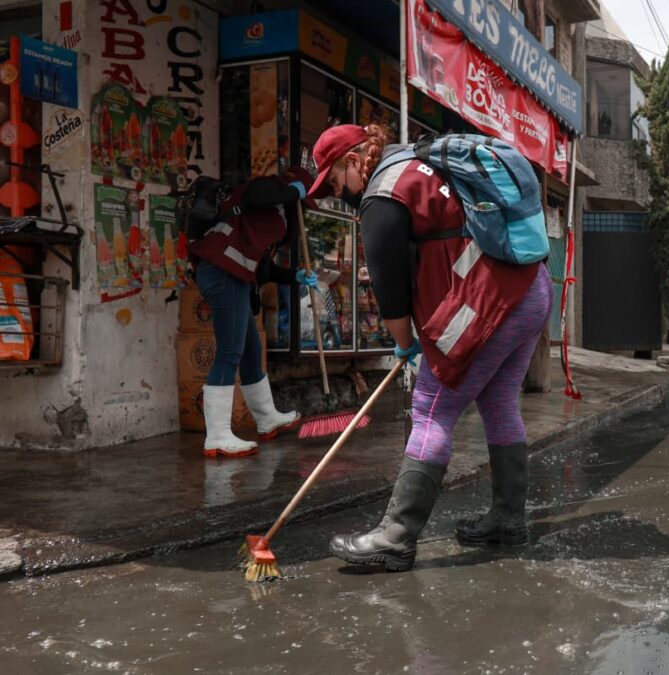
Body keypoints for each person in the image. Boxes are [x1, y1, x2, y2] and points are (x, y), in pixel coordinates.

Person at [306, 125, 552, 572]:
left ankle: (396, 537)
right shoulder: (417, 163)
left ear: (352, 160)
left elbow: (390, 289)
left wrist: (404, 346)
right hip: (531, 288)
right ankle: (508, 519)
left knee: (432, 408)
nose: (338, 195)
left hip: (490, 299)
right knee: (498, 401)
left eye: (336, 183)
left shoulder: (383, 193)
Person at [183, 169, 318, 458]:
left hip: (235, 277)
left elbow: (261, 268)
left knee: (251, 350)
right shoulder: (266, 194)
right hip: (222, 274)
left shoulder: (273, 215)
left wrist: (294, 276)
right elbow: (258, 194)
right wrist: (292, 192)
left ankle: (266, 417)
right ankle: (217, 436)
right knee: (230, 352)